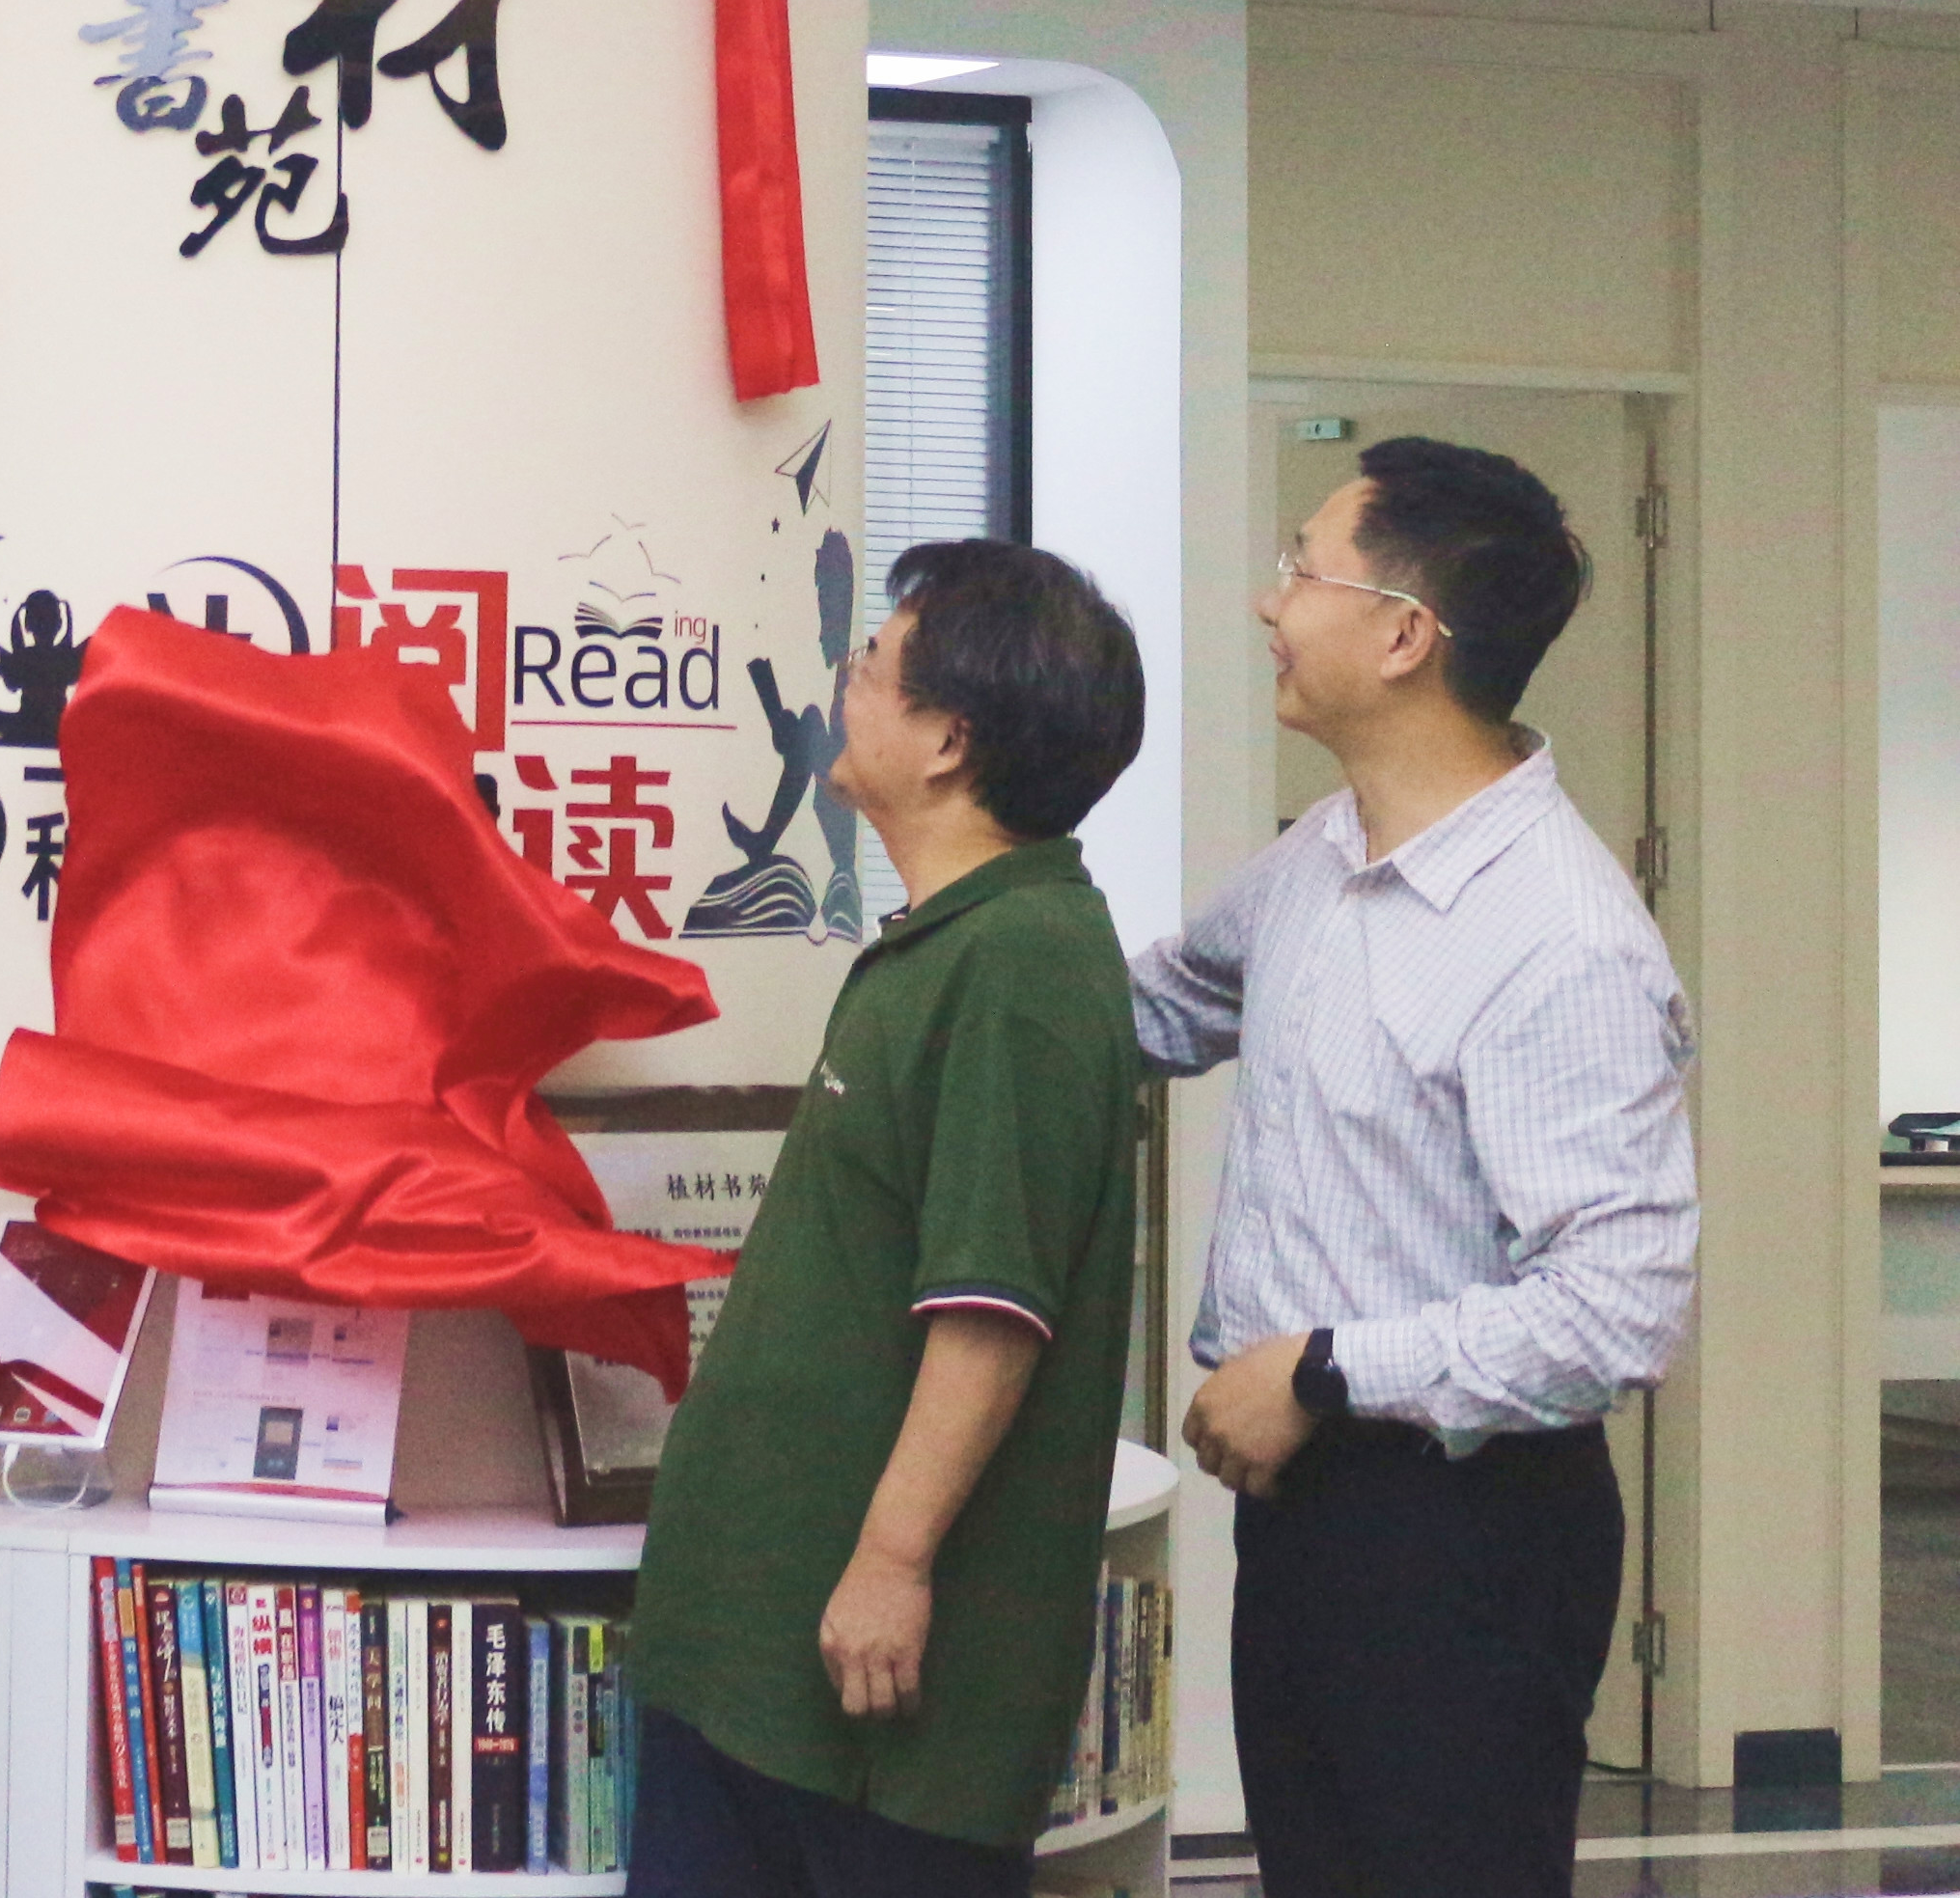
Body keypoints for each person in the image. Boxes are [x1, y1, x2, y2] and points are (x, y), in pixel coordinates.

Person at [1136, 436, 1694, 1898]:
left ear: (1402, 635)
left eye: (1300, 569)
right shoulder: (1326, 852)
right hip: (1306, 1506)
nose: (1270, 603)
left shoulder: (1560, 937)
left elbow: (1617, 1312)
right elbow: (1166, 1003)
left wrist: (1325, 1368)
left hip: (1463, 1536)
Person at [631, 538, 1151, 1898]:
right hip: (757, 1649)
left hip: (868, 1694)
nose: (842, 680)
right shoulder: (948, 939)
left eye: (870, 662)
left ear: (948, 742)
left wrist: (891, 1560)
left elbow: (993, 1311)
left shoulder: (1021, 963)